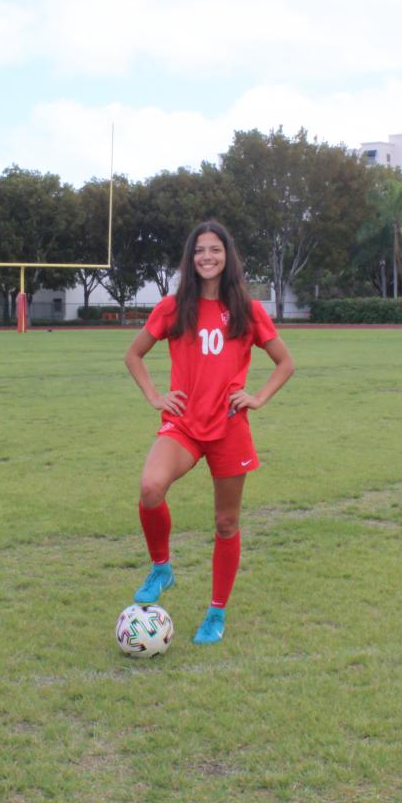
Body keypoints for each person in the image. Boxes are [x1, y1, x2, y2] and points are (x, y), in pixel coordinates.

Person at [123, 220, 295, 645]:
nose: (207, 257)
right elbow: (134, 355)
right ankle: (162, 567)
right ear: (190, 257)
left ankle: (215, 614)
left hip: (229, 429)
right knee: (150, 488)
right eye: (200, 250)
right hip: (183, 424)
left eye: (215, 250)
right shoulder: (172, 306)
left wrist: (257, 398)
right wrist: (155, 396)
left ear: (227, 255)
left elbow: (285, 363)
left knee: (225, 522)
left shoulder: (248, 310)